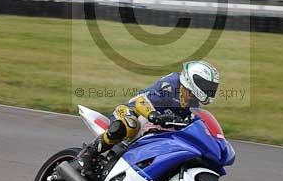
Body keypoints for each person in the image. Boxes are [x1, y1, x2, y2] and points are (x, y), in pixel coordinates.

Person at [77, 60, 220, 172]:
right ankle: (89, 153)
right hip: (132, 112)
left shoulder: (193, 102)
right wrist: (153, 115)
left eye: (211, 87)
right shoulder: (171, 85)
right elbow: (141, 101)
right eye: (206, 85)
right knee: (130, 126)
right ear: (193, 80)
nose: (209, 90)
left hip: (153, 129)